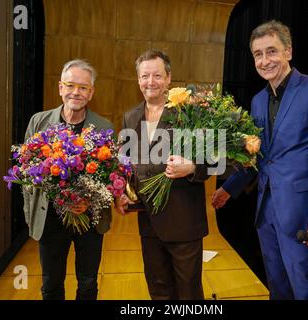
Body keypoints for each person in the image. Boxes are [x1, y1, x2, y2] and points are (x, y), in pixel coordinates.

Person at [211, 20, 308, 300]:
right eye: (258, 54)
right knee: (278, 288)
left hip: (304, 216)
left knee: (306, 291)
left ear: (289, 52)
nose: (265, 60)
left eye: (272, 51)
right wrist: (229, 188)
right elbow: (261, 157)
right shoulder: (259, 100)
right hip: (266, 212)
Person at [115, 50, 209, 300]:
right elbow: (126, 165)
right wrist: (124, 194)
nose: (150, 82)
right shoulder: (130, 116)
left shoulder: (190, 112)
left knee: (189, 295)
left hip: (184, 222)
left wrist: (191, 167)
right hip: (148, 222)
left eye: (157, 75)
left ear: (169, 78)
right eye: (145, 76)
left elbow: (214, 158)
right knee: (159, 291)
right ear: (138, 80)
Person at [22, 59, 114, 300]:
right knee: (51, 284)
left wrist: (88, 201)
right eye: (70, 85)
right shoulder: (38, 122)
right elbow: (26, 169)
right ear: (60, 87)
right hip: (50, 218)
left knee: (87, 284)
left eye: (83, 87)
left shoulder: (105, 127)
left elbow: (112, 176)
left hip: (89, 220)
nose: (76, 92)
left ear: (91, 93)